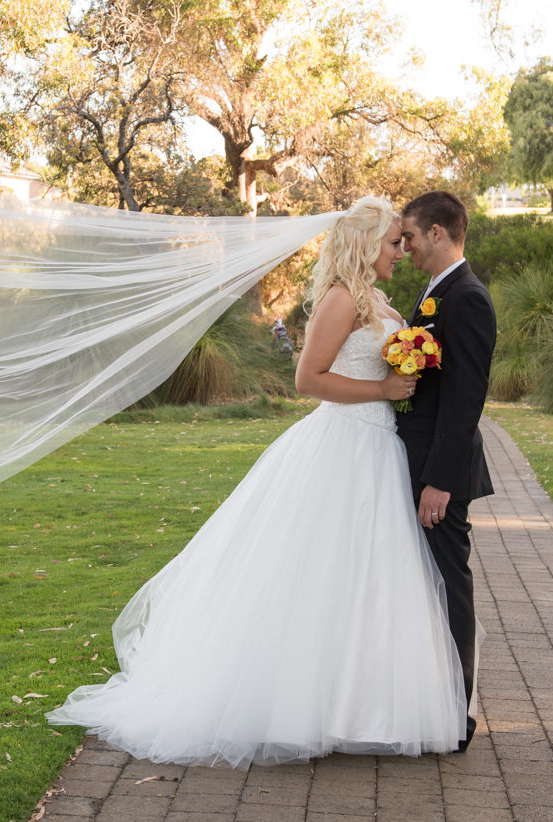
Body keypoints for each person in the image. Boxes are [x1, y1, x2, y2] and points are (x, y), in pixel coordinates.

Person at [47, 197, 467, 768]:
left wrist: (406, 375)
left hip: (379, 451)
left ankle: (358, 706)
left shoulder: (379, 300)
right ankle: (302, 708)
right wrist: (383, 390)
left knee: (365, 577)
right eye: (394, 241)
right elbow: (307, 379)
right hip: (342, 445)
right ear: (367, 244)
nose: (401, 250)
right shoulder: (343, 298)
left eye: (402, 241)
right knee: (317, 576)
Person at [395, 191, 497, 752]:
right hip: (415, 461)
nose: (405, 247)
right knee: (426, 586)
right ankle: (429, 702)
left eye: (409, 236)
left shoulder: (468, 299)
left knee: (450, 586)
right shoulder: (435, 292)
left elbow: (464, 400)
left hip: (439, 474)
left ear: (438, 233)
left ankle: (457, 716)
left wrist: (439, 480)